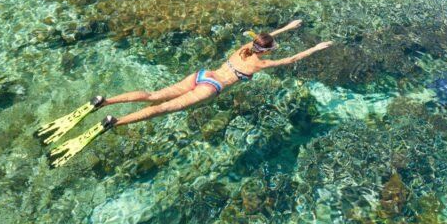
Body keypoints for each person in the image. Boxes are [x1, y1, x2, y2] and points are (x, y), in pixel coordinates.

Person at [37, 20, 332, 167]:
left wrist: (285, 28)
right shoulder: (259, 63)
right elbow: (291, 60)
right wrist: (316, 49)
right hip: (211, 87)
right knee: (161, 109)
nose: (273, 49)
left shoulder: (244, 48)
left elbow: (264, 39)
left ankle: (105, 101)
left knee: (153, 95)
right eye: (271, 47)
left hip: (201, 74)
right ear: (265, 51)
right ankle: (114, 122)